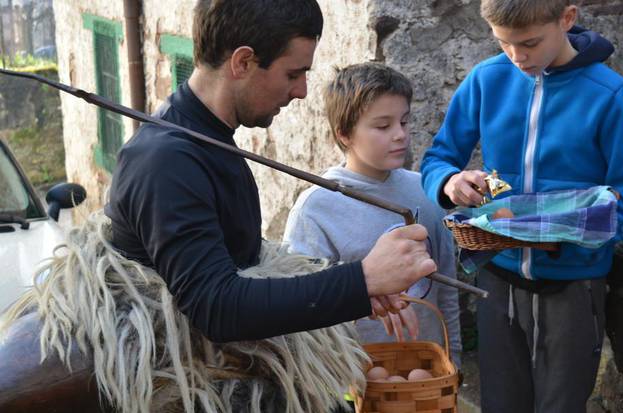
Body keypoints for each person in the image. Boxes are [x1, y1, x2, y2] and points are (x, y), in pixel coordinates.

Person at [105, 0, 436, 345]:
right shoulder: (167, 161)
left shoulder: (208, 140)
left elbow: (244, 267)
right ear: (243, 62)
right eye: (293, 74)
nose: (301, 91)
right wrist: (363, 279)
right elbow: (216, 308)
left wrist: (353, 291)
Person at [420, 1, 623, 412]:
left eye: (528, 43)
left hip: (574, 285)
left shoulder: (609, 94)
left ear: (567, 18)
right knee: (501, 402)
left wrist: (570, 240)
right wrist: (452, 182)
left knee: (560, 405)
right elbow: (438, 159)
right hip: (496, 277)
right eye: (503, 43)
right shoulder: (486, 79)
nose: (516, 56)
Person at [284, 63, 462, 366]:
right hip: (359, 374)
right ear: (344, 134)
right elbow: (304, 307)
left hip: (429, 367)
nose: (400, 136)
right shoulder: (316, 209)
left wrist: (453, 357)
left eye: (404, 122)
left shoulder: (423, 190)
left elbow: (446, 283)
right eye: (383, 126)